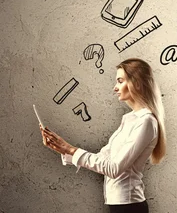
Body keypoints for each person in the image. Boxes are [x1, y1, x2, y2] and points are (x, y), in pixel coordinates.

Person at [40, 58, 166, 213]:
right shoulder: (129, 119)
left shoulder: (145, 122)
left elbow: (114, 169)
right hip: (118, 204)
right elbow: (104, 158)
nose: (115, 88)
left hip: (130, 206)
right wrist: (63, 149)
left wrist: (72, 150)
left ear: (137, 83)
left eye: (120, 81)